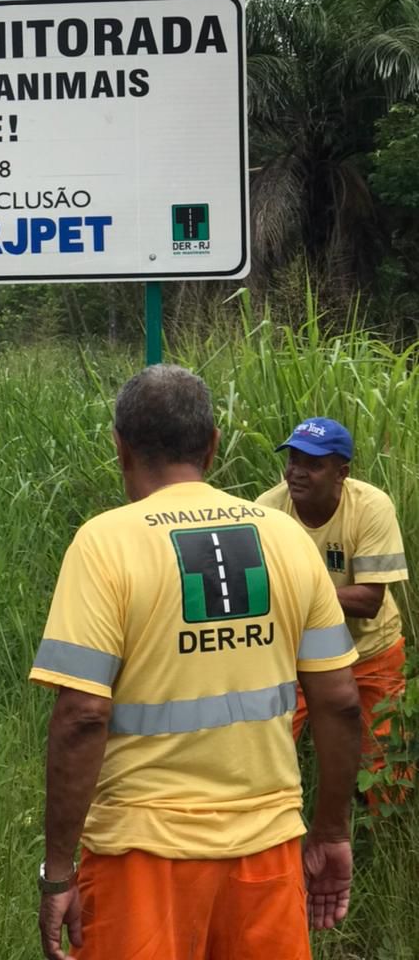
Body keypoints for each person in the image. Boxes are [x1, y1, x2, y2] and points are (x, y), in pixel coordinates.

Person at [30, 365, 362, 960]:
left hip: (141, 858)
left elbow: (82, 715)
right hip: (269, 852)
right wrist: (332, 829)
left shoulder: (105, 542)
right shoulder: (285, 538)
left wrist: (58, 870)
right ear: (212, 444)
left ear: (120, 448)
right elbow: (339, 701)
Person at [257, 417, 410, 800]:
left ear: (342, 473)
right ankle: (275, 832)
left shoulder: (371, 507)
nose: (297, 472)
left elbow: (370, 601)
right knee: (267, 750)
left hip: (372, 649)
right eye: (293, 460)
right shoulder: (267, 511)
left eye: (313, 464)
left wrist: (297, 590)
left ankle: (383, 840)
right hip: (299, 653)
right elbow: (259, 593)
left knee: (385, 760)